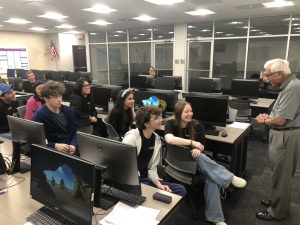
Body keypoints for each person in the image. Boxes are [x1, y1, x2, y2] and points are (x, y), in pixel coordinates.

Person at [164, 101, 247, 225]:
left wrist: (198, 148)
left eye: (191, 111)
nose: (190, 114)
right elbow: (169, 139)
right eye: (186, 111)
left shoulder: (197, 126)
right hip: (177, 163)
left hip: (196, 165)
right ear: (178, 113)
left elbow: (202, 146)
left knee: (211, 178)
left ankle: (216, 218)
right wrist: (192, 143)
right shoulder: (170, 123)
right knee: (198, 157)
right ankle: (229, 178)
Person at [255, 59, 300, 221]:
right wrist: (269, 117)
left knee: (282, 175)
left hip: (286, 135)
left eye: (268, 75)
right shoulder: (288, 86)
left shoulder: (293, 88)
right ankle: (278, 202)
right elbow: (280, 114)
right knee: (280, 173)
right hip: (283, 133)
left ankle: (277, 211)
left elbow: (280, 120)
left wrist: (264, 120)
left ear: (279, 74)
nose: (265, 78)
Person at [122, 106, 187, 196]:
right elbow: (125, 168)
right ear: (146, 123)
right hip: (132, 181)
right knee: (153, 193)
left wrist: (159, 184)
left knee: (181, 190)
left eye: (160, 116)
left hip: (146, 179)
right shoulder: (131, 138)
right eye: (157, 118)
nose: (161, 120)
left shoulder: (156, 139)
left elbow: (152, 169)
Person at [32, 81, 78, 155]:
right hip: (53, 152)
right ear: (46, 99)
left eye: (60, 96)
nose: (59, 99)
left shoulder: (68, 110)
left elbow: (75, 131)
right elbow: (37, 141)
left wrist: (73, 144)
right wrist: (54, 146)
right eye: (55, 97)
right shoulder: (39, 116)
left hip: (71, 149)